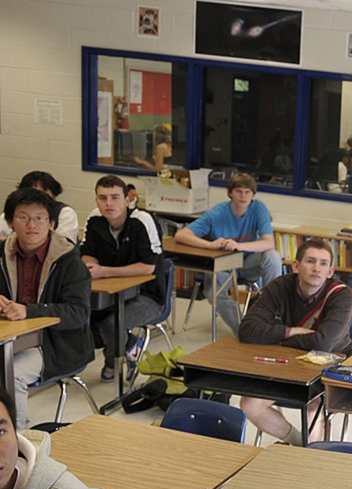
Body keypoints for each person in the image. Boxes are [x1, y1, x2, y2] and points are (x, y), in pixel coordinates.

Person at [237, 238, 352, 445]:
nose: (317, 268)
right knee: (249, 405)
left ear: (330, 271)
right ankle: (298, 444)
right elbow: (247, 330)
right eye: (310, 261)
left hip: (330, 372)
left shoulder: (342, 295)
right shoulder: (280, 287)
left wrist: (280, 340)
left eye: (323, 263)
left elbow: (323, 343)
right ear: (296, 266)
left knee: (311, 410)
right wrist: (291, 331)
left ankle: (312, 460)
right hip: (290, 366)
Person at [0, 189, 94, 429]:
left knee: (13, 372)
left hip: (55, 343)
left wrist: (29, 310)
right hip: (9, 337)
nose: (32, 225)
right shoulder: (1, 255)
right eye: (23, 217)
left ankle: (17, 443)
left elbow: (78, 313)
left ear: (51, 223)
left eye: (40, 218)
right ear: (10, 222)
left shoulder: (70, 261)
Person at [173, 172, 282, 336]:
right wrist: (210, 245)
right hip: (223, 266)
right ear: (231, 193)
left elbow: (269, 243)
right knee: (211, 292)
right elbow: (180, 235)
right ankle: (244, 330)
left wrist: (239, 246)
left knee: (272, 256)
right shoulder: (217, 213)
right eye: (239, 191)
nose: (243, 196)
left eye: (248, 192)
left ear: (253, 195)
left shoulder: (258, 208)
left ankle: (273, 313)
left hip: (248, 264)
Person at [80, 175, 164, 382]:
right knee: (84, 324)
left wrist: (104, 271)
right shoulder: (94, 218)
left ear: (128, 200)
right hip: (109, 293)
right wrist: (91, 266)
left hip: (148, 295)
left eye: (115, 197)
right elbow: (87, 252)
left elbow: (148, 267)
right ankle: (131, 345)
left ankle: (112, 363)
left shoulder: (142, 221)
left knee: (112, 325)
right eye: (102, 198)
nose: (108, 203)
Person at [0, 171, 79, 244]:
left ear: (54, 196)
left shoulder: (65, 213)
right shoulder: (14, 211)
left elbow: (64, 244)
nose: (37, 198)